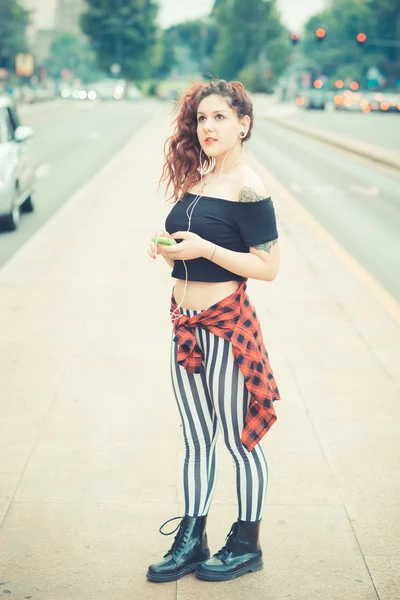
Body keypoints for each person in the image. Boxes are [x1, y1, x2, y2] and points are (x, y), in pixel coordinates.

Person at [146, 79, 280, 583]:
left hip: (226, 328)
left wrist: (204, 249)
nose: (208, 127)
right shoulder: (199, 181)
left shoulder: (249, 186)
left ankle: (247, 543)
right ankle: (191, 538)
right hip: (185, 327)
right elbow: (192, 241)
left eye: (220, 117)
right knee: (196, 438)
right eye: (202, 118)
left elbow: (267, 267)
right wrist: (164, 244)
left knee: (240, 441)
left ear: (243, 124)